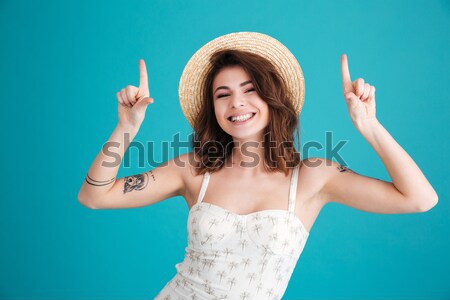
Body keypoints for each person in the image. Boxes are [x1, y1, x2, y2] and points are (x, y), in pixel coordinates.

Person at [77, 32, 438, 300]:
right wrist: (126, 128)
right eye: (223, 94)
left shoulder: (313, 177)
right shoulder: (193, 170)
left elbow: (419, 199)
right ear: (214, 110)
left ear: (271, 98)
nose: (237, 103)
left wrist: (369, 126)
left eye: (250, 89)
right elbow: (95, 197)